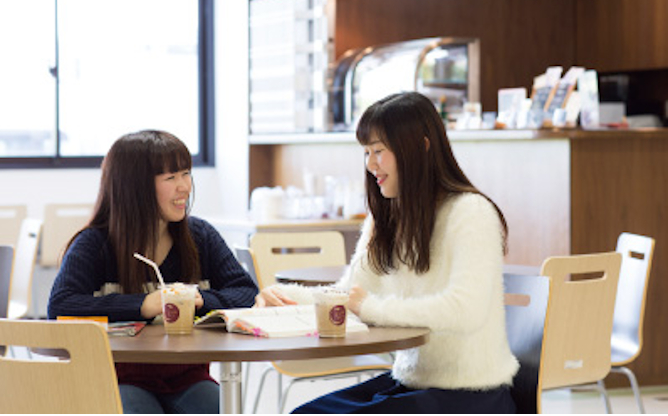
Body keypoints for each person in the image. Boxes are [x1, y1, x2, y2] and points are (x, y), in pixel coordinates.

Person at [256, 92, 519, 413]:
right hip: (411, 383)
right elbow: (348, 296)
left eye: (379, 151)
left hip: (472, 395)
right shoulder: (387, 218)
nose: (370, 165)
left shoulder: (471, 213)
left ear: (421, 147)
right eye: (366, 152)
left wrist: (372, 308)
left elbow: (465, 310)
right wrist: (283, 296)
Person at [48, 130, 258, 414]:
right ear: (135, 187)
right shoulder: (94, 244)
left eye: (186, 173)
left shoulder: (201, 236)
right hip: (116, 378)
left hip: (188, 378)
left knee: (220, 408)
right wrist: (144, 305)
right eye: (171, 178)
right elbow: (60, 307)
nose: (184, 187)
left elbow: (246, 293)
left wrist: (200, 300)